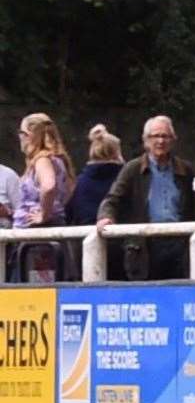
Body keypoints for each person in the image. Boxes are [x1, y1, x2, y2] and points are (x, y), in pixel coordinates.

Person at [95, 115, 195, 280]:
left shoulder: (186, 170)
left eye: (165, 136)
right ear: (146, 141)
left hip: (180, 246)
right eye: (155, 136)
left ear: (173, 140)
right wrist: (105, 217)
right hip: (145, 247)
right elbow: (113, 198)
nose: (160, 141)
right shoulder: (132, 169)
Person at [9, 113, 75, 282]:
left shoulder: (42, 160)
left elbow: (49, 186)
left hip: (36, 240)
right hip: (50, 233)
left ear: (30, 135)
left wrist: (44, 214)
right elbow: (69, 190)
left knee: (34, 288)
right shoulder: (59, 160)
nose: (20, 138)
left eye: (21, 133)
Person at [67, 124, 124, 225]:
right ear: (117, 152)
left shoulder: (80, 182)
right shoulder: (124, 179)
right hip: (119, 235)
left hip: (84, 236)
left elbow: (69, 213)